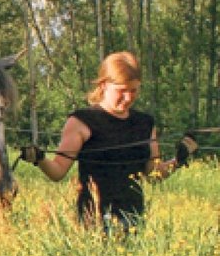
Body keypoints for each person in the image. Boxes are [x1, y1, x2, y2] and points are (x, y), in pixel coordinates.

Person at [21, 51, 197, 233]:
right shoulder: (82, 121)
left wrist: (179, 160)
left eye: (134, 90)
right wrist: (39, 158)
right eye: (122, 91)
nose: (128, 97)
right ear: (104, 85)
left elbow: (152, 174)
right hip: (94, 219)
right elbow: (57, 172)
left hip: (134, 218)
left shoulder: (144, 123)